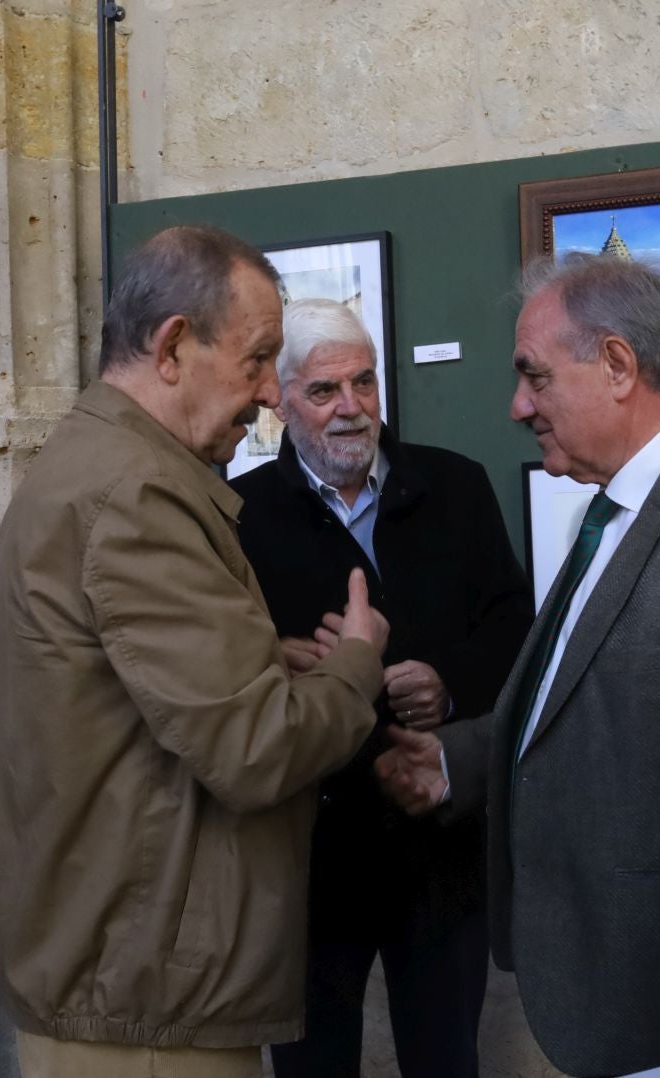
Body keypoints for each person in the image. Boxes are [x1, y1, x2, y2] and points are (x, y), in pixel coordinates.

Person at [0, 225, 389, 1078]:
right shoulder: (135, 492)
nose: (271, 392)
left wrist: (258, 660)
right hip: (145, 1008)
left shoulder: (106, 461)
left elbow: (112, 684)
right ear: (172, 346)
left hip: (127, 976)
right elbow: (256, 749)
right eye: (257, 359)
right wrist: (356, 661)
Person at [375, 254, 660, 1077]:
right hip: (616, 994)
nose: (517, 405)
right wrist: (458, 760)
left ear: (616, 365)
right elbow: (582, 701)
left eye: (533, 376)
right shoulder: (613, 506)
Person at [231, 298, 531, 1078]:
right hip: (313, 847)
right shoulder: (242, 517)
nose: (351, 409)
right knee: (313, 1062)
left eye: (364, 383)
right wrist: (282, 655)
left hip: (437, 840)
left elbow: (513, 624)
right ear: (282, 401)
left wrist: (449, 684)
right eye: (324, 391)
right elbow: (223, 666)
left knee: (445, 1057)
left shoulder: (457, 487)